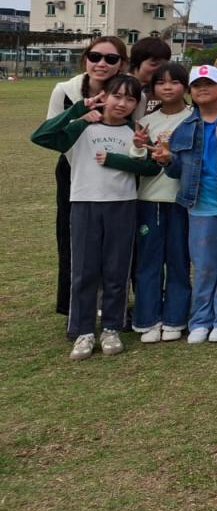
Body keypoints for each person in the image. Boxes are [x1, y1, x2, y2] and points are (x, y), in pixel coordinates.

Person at [32, 74, 149, 360]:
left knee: (116, 270)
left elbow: (150, 167)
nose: (122, 103)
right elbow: (41, 136)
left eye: (130, 99)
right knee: (84, 270)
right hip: (84, 203)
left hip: (122, 205)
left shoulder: (134, 130)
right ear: (103, 96)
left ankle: (111, 328)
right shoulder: (82, 126)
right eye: (116, 96)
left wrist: (129, 152)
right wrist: (78, 112)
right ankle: (83, 331)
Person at [45, 35, 128, 316]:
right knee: (72, 238)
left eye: (111, 59)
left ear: (121, 64)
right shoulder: (65, 90)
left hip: (117, 173)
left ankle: (110, 303)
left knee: (112, 242)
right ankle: (74, 304)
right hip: (74, 170)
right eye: (95, 57)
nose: (101, 63)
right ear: (85, 59)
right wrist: (80, 119)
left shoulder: (127, 92)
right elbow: (52, 133)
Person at [161, 64, 217, 343]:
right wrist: (166, 160)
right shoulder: (183, 128)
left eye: (209, 84)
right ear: (190, 91)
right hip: (199, 208)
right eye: (196, 85)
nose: (202, 89)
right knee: (204, 265)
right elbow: (176, 171)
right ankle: (200, 320)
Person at [128, 61, 192, 343]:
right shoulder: (147, 121)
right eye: (161, 82)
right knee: (148, 262)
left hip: (181, 201)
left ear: (185, 87)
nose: (168, 87)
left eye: (175, 82)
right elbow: (136, 162)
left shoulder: (193, 119)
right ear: (152, 88)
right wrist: (138, 147)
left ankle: (175, 318)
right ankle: (147, 320)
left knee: (179, 260)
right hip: (148, 200)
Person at [129, 37, 173, 116]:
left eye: (164, 65)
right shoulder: (117, 87)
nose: (160, 69)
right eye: (154, 64)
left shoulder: (167, 91)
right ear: (136, 62)